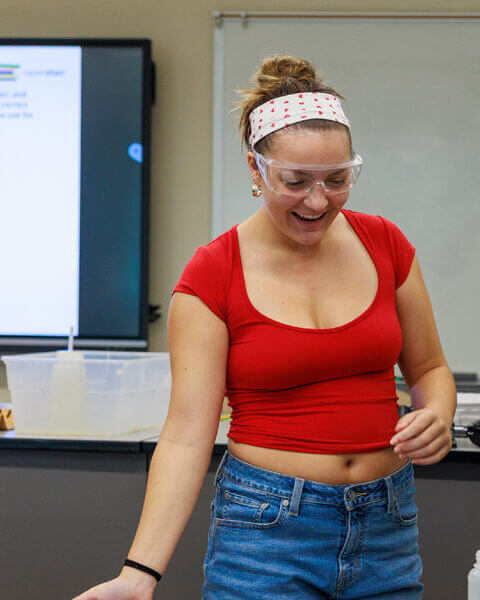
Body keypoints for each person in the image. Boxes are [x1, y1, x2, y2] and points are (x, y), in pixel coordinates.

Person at [75, 56, 455, 600]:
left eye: (338, 179)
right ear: (257, 170)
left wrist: (436, 412)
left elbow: (429, 368)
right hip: (266, 533)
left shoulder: (385, 244)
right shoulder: (214, 273)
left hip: (387, 525)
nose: (318, 202)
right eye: (295, 182)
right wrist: (140, 573)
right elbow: (186, 435)